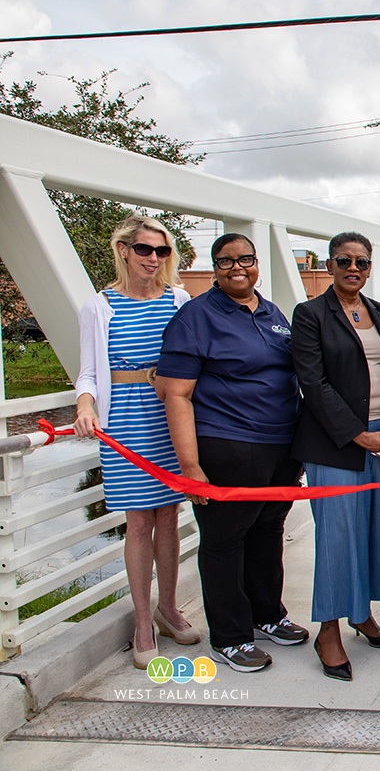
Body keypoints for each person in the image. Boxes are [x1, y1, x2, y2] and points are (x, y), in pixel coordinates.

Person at [157, 233, 308, 673]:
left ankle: (267, 615)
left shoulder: (272, 312)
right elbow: (177, 395)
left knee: (267, 532)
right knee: (225, 540)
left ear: (257, 262)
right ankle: (231, 635)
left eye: (245, 259)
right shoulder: (196, 317)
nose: (237, 268)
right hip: (227, 445)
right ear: (214, 267)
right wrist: (190, 467)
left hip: (279, 447)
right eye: (225, 262)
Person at [291, 231, 380, 681]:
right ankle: (329, 628)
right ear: (329, 265)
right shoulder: (309, 315)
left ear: (369, 268)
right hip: (335, 445)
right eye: (344, 261)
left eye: (361, 262)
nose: (353, 269)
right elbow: (313, 383)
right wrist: (358, 435)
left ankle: (360, 614)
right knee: (338, 536)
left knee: (374, 530)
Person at [74, 215, 200, 669]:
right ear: (124, 250)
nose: (153, 259)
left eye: (162, 251)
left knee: (169, 515)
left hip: (169, 416)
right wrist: (85, 405)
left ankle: (169, 607)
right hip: (125, 421)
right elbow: (88, 372)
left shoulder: (179, 300)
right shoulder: (99, 306)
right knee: (139, 521)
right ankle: (142, 620)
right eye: (145, 250)